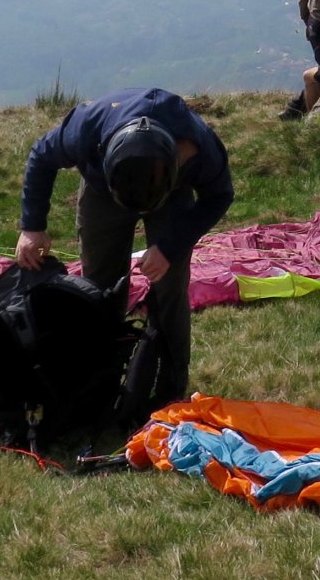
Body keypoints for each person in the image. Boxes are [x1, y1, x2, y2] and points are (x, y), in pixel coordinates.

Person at [15, 87, 233, 411]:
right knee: (98, 286)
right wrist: (32, 227)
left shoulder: (196, 144)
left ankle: (171, 386)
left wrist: (169, 248)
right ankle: (101, 379)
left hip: (171, 194)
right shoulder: (86, 129)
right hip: (103, 193)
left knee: (170, 287)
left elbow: (220, 195)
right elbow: (41, 156)